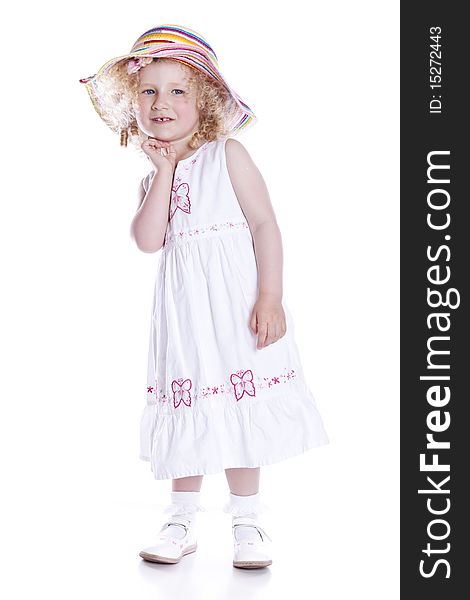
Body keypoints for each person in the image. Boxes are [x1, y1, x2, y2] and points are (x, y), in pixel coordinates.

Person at [80, 24, 328, 569]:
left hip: (236, 311)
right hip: (186, 318)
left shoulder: (227, 156)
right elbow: (148, 241)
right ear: (134, 106)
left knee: (240, 412)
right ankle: (181, 517)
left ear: (204, 102)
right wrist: (164, 171)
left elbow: (265, 225)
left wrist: (271, 295)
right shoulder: (154, 179)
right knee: (187, 404)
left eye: (177, 91)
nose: (160, 102)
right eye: (148, 91)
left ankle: (248, 520)